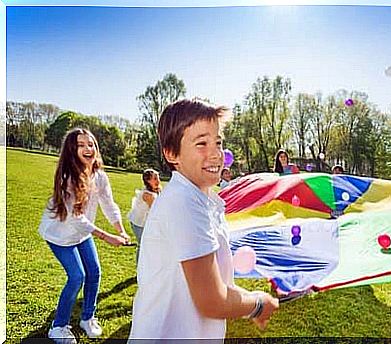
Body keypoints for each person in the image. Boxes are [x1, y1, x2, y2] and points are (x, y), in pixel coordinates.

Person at [128, 99, 279, 341]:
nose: (215, 153)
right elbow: (212, 301)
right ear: (171, 153)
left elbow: (218, 286)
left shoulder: (201, 200)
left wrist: (249, 299)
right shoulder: (182, 202)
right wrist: (258, 303)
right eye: (201, 143)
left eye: (218, 142)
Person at [38, 128, 130, 344]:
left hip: (81, 234)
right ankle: (58, 326)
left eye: (91, 144)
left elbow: (108, 203)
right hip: (60, 235)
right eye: (81, 145)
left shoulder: (99, 176)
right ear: (72, 150)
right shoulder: (67, 177)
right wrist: (107, 236)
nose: (88, 149)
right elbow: (75, 218)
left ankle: (87, 317)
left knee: (94, 272)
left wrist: (120, 229)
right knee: (77, 276)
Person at [127, 168, 161, 263]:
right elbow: (156, 211)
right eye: (155, 178)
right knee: (143, 245)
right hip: (139, 223)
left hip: (145, 222)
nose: (158, 180)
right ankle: (140, 270)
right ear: (148, 181)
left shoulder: (156, 190)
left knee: (149, 245)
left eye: (158, 178)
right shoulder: (148, 195)